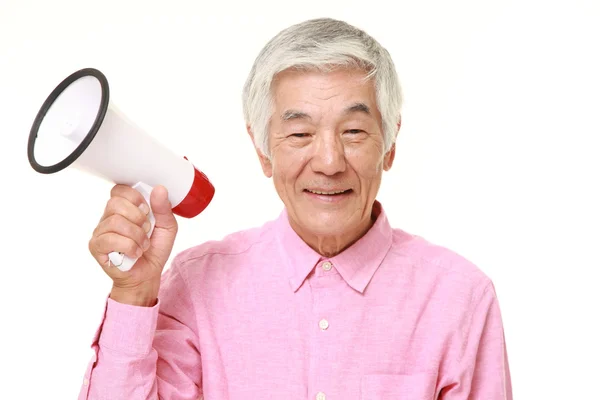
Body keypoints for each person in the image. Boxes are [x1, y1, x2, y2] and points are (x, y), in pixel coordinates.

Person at [79, 17, 512, 400]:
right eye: (300, 134)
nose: (328, 162)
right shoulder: (196, 287)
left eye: (355, 131)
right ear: (263, 151)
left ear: (390, 143)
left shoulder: (460, 297)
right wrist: (134, 294)